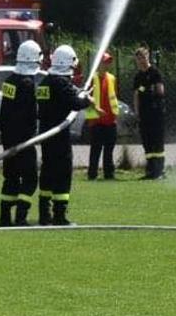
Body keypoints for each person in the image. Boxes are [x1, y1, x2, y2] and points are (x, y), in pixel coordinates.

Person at [36, 44, 93, 226]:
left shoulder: (45, 82)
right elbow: (75, 103)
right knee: (62, 174)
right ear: (68, 63)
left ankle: (44, 214)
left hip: (46, 135)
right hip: (59, 137)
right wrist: (87, 100)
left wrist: (79, 94)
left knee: (47, 173)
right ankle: (59, 215)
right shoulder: (60, 83)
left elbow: (63, 99)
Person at [0, 40, 43, 227]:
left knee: (11, 178)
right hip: (24, 140)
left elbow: (6, 113)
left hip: (7, 138)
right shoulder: (28, 84)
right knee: (30, 179)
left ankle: (4, 218)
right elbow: (30, 114)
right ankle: (21, 217)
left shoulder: (9, 81)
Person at [132, 47, 167, 180]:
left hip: (156, 113)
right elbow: (136, 95)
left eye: (143, 58)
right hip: (144, 114)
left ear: (147, 58)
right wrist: (137, 112)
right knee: (147, 142)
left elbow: (160, 91)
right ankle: (150, 170)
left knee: (157, 141)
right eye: (138, 59)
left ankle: (160, 171)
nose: (141, 61)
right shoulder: (138, 77)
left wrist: (149, 91)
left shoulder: (155, 73)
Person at [85, 51, 120, 181]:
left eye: (108, 62)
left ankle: (109, 174)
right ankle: (92, 174)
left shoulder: (112, 78)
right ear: (98, 63)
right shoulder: (91, 79)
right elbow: (86, 98)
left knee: (109, 150)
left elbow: (114, 97)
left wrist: (115, 114)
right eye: (105, 62)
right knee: (96, 149)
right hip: (96, 120)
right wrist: (96, 109)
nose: (107, 64)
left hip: (110, 120)